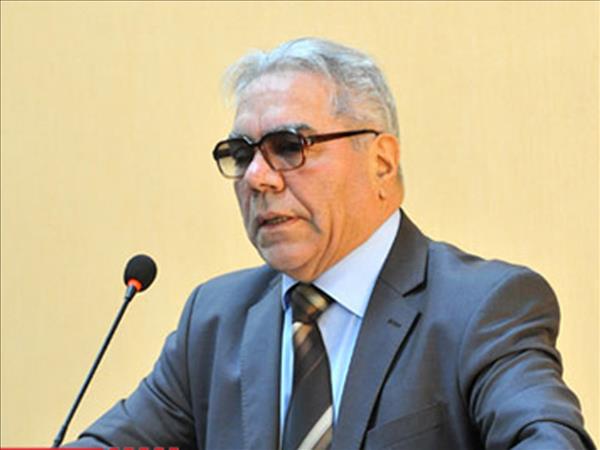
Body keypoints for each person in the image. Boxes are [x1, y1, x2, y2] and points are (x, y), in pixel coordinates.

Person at [66, 37, 595, 450]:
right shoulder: (215, 321)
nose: (257, 177)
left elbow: (549, 441)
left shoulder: (480, 307)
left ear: (381, 161)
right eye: (241, 154)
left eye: (289, 146)